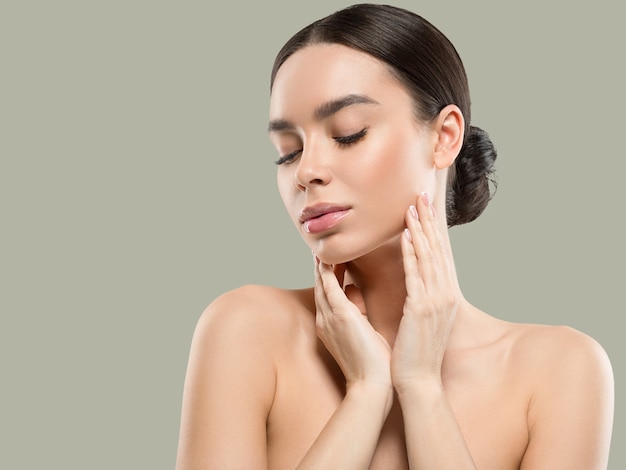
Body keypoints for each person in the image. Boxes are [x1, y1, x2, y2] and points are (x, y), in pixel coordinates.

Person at [175, 4, 614, 468]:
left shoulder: (561, 371)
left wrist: (422, 385)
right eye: (288, 151)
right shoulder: (246, 329)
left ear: (445, 137)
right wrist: (366, 393)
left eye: (348, 133)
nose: (305, 172)